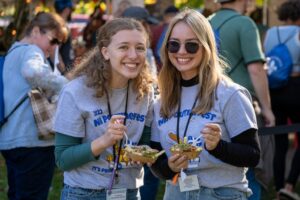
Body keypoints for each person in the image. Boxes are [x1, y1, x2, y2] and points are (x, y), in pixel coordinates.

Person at [150, 8, 260, 200]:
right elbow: (157, 163)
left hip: (220, 194)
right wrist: (169, 167)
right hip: (176, 193)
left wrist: (217, 146)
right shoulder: (162, 100)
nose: (181, 52)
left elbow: (252, 155)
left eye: (191, 45)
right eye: (173, 45)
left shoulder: (230, 94)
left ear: (206, 47)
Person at [54, 18, 154, 200]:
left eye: (140, 48)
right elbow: (63, 159)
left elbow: (145, 142)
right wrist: (105, 141)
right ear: (106, 52)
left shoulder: (145, 91)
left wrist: (143, 154)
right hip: (84, 193)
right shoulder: (76, 91)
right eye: (124, 47)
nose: (133, 55)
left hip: (129, 193)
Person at [209, 1, 275, 199]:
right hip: (241, 104)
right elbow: (256, 69)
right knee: (251, 170)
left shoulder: (206, 21)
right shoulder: (244, 23)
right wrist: (267, 108)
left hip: (208, 102)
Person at [0, 12, 68, 200]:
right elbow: (32, 72)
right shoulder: (32, 50)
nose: (54, 48)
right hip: (32, 140)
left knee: (17, 194)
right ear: (36, 31)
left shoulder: (13, 51)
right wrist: (67, 85)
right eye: (53, 41)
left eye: (59, 44)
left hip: (10, 139)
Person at [263, 1, 300, 199]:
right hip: (296, 89)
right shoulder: (299, 32)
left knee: (280, 142)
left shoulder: (270, 33)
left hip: (275, 90)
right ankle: (290, 184)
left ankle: (278, 190)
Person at [54, 0, 75, 73]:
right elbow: (55, 51)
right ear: (67, 10)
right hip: (64, 72)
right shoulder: (60, 26)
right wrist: (65, 72)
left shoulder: (59, 24)